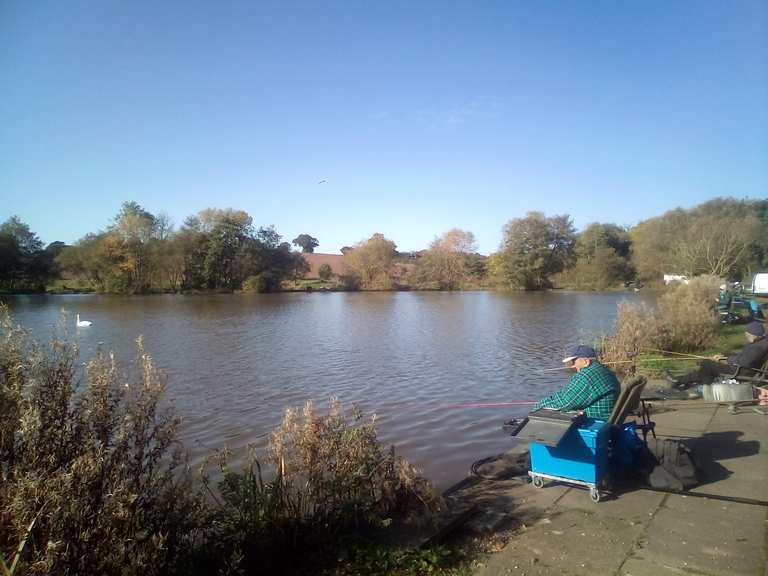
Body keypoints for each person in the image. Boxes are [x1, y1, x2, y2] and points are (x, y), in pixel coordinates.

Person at [671, 321, 768, 389]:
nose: (746, 335)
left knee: (707, 364)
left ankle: (706, 385)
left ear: (752, 334)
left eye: (747, 333)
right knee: (718, 358)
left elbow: (743, 362)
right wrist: (724, 356)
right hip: (743, 368)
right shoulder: (761, 343)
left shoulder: (757, 348)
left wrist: (725, 360)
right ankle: (682, 379)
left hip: (739, 371)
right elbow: (744, 357)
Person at [534, 344, 620, 421]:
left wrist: (539, 405)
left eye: (574, 361)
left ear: (586, 361)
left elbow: (565, 402)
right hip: (605, 418)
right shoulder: (605, 371)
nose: (573, 366)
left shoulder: (586, 376)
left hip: (596, 421)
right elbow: (569, 397)